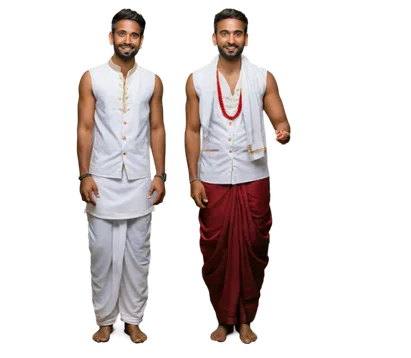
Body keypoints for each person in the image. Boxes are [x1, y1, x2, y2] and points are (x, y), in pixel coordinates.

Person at [184, 7, 292, 345]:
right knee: (214, 249)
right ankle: (223, 321)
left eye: (238, 33)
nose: (232, 40)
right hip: (212, 174)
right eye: (225, 34)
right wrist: (193, 178)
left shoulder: (263, 76)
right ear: (213, 38)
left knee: (253, 247)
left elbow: (280, 120)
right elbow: (191, 130)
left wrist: (284, 131)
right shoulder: (196, 78)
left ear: (248, 38)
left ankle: (247, 319)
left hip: (254, 172)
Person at [76, 8, 167, 344]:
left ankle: (132, 320)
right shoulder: (92, 76)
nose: (127, 40)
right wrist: (84, 173)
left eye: (134, 35)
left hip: (141, 179)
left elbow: (158, 127)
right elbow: (84, 127)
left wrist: (160, 175)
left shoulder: (152, 80)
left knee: (138, 252)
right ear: (110, 37)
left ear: (141, 40)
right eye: (121, 34)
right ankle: (103, 319)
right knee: (100, 252)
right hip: (102, 177)